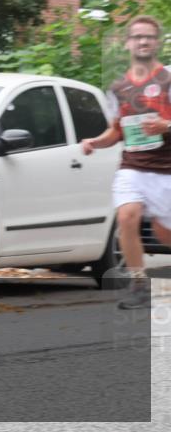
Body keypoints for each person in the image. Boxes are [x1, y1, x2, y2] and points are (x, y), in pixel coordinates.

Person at [81, 15, 171, 309]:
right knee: (127, 216)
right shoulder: (118, 89)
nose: (143, 41)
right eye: (137, 37)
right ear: (128, 43)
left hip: (166, 170)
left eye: (149, 37)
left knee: (164, 234)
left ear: (157, 43)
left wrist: (165, 126)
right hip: (133, 166)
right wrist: (96, 142)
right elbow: (117, 131)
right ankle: (140, 285)